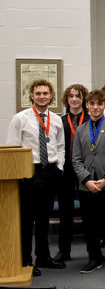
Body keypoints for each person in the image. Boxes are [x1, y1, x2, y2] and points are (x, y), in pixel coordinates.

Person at [6, 79, 67, 275]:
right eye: (38, 93)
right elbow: (13, 148)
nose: (42, 96)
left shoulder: (57, 119)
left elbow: (60, 146)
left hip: (50, 171)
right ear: (31, 95)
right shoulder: (20, 118)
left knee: (44, 218)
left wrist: (59, 167)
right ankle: (25, 261)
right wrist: (18, 175)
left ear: (51, 96)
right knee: (26, 220)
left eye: (46, 93)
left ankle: (44, 257)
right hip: (28, 172)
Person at [72, 89, 105, 274]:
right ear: (86, 105)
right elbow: (76, 159)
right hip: (87, 186)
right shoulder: (81, 129)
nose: (95, 107)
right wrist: (87, 180)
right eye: (92, 104)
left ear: (104, 106)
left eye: (99, 104)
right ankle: (94, 257)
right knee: (90, 225)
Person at [54, 83, 88, 263]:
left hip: (86, 171)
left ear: (84, 99)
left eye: (78, 96)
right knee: (65, 213)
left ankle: (94, 251)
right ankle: (64, 250)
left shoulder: (91, 119)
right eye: (71, 96)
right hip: (66, 171)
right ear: (67, 99)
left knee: (89, 212)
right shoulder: (58, 121)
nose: (75, 99)